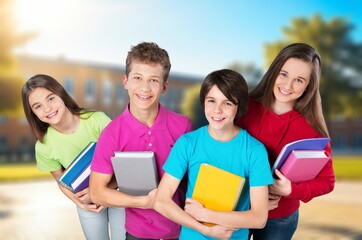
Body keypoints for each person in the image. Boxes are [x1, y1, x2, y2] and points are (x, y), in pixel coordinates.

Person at [89, 42, 193, 240]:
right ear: (126, 81)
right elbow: (97, 192)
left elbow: (195, 181)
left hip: (183, 231)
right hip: (138, 234)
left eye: (153, 80)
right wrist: (145, 202)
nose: (144, 88)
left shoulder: (183, 126)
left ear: (164, 87)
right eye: (138, 78)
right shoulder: (111, 134)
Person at [154, 69, 274, 239]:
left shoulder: (254, 151)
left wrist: (205, 215)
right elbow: (161, 201)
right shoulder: (188, 143)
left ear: (239, 106)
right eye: (212, 101)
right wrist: (204, 229)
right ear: (203, 102)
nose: (217, 110)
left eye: (227, 103)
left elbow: (259, 218)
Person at [237, 43, 335, 240]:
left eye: (299, 80)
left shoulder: (313, 131)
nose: (288, 86)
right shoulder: (244, 107)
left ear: (309, 86)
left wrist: (291, 190)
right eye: (283, 74)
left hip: (279, 219)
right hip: (238, 208)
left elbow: (327, 182)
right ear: (273, 72)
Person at [21, 74, 125, 240]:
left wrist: (99, 191)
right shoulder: (43, 147)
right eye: (37, 106)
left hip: (119, 191)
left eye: (50, 98)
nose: (47, 108)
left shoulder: (96, 120)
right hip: (88, 202)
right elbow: (61, 181)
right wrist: (80, 202)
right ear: (33, 113)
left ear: (61, 94)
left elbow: (125, 165)